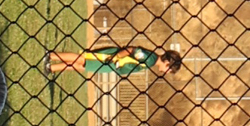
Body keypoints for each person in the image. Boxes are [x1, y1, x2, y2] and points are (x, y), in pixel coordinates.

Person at [47, 47, 184, 79]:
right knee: (82, 59)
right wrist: (115, 57)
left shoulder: (151, 62)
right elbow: (132, 50)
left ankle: (51, 67)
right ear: (167, 63)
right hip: (111, 60)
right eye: (169, 70)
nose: (167, 72)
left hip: (113, 66)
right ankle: (51, 56)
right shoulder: (150, 59)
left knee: (82, 66)